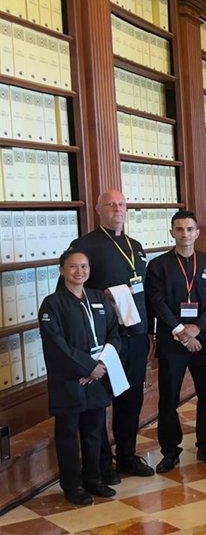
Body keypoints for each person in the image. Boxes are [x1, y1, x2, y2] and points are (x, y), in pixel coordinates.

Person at [67, 190, 155, 479]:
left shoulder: (136, 246)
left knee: (131, 399)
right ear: (98, 209)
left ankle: (127, 456)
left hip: (137, 335)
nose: (117, 208)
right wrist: (103, 295)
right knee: (100, 401)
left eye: (121, 204)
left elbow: (145, 293)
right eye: (110, 204)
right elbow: (74, 289)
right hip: (104, 339)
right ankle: (102, 464)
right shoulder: (84, 246)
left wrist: (149, 332)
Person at [40, 250, 122, 505]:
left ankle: (93, 478)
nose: (79, 271)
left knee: (94, 431)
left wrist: (102, 365)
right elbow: (57, 345)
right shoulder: (52, 304)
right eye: (73, 267)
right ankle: (72, 485)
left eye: (84, 266)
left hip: (98, 378)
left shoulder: (98, 298)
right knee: (68, 434)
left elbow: (114, 333)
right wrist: (87, 367)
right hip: (69, 381)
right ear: (62, 270)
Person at [146, 210, 206, 472]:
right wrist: (181, 331)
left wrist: (196, 327)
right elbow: (157, 302)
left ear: (197, 233)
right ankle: (170, 451)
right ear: (172, 232)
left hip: (204, 340)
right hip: (173, 343)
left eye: (190, 229)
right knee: (168, 399)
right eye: (179, 229)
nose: (185, 234)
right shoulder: (158, 266)